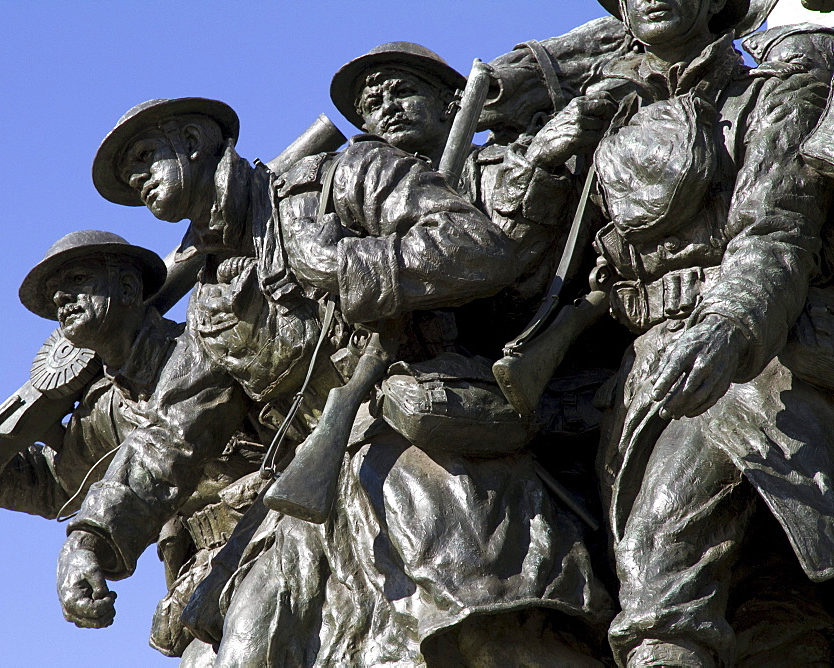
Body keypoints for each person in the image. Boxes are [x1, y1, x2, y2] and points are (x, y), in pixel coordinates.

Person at [55, 95, 530, 661]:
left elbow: (479, 247)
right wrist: (91, 537)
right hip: (312, 490)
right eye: (131, 175)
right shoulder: (212, 304)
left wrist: (341, 266)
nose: (138, 178)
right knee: (240, 647)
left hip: (416, 427)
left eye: (144, 156)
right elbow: (170, 436)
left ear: (192, 143)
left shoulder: (342, 177)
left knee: (457, 595)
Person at [202, 43, 617, 666]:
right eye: (370, 105)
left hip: (528, 384)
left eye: (403, 91)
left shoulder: (504, 169)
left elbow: (517, 279)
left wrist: (544, 171)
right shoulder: (348, 202)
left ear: (455, 104)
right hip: (397, 402)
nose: (384, 109)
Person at [533, 0, 834, 664]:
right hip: (644, 373)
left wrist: (728, 327)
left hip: (752, 363)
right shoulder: (608, 118)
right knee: (765, 613)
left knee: (663, 578)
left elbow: (776, 231)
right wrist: (543, 172)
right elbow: (533, 276)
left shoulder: (771, 94)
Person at [0, 229, 263, 655]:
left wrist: (85, 540)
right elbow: (53, 484)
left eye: (78, 280)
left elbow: (166, 446)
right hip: (208, 567)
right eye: (54, 294)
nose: (61, 299)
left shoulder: (204, 343)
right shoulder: (104, 409)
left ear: (127, 287)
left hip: (276, 523)